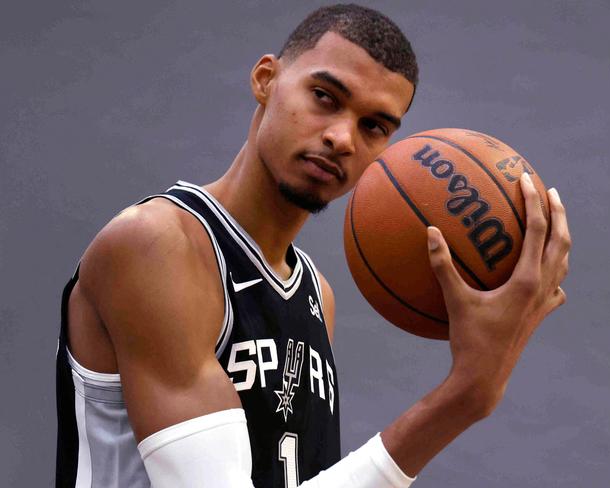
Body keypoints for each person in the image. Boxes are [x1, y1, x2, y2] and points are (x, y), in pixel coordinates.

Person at [55, 4, 571, 487]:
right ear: (266, 80)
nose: (344, 138)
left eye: (374, 126)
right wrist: (464, 396)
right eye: (325, 97)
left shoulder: (314, 296)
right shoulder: (156, 244)